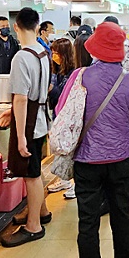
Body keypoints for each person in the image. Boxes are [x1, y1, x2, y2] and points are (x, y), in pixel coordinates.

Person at [54, 21, 129, 258]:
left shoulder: (80, 76)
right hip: (120, 159)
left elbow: (62, 111)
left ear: (94, 49)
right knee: (121, 214)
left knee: (88, 223)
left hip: (87, 161)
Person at [0, 7, 52, 247]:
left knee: (31, 175)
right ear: (38, 27)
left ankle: (33, 227)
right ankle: (40, 211)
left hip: (28, 123)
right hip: (41, 117)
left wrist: (19, 137)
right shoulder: (43, 51)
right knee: (34, 169)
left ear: (16, 27)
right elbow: (43, 89)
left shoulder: (21, 57)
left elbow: (20, 98)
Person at [49, 37, 80, 198]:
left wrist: (50, 89)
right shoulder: (56, 70)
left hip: (69, 117)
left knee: (71, 149)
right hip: (58, 115)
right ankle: (64, 179)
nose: (54, 56)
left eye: (56, 53)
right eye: (52, 52)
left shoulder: (73, 72)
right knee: (60, 148)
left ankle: (75, 182)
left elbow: (62, 96)